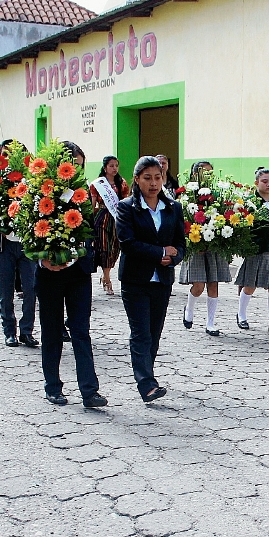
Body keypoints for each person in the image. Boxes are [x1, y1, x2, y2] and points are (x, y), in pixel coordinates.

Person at [36, 141, 107, 410]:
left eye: (79, 167)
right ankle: (52, 386)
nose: (75, 172)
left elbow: (88, 231)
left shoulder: (83, 195)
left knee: (80, 330)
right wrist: (44, 260)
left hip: (77, 273)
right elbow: (30, 234)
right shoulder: (40, 194)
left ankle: (89, 391)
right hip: (49, 274)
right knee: (52, 331)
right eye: (71, 167)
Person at [116, 155, 186, 403]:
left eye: (158, 178)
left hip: (163, 280)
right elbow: (128, 243)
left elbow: (180, 243)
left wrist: (173, 258)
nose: (154, 183)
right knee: (141, 333)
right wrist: (160, 253)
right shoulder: (126, 208)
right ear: (137, 180)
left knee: (154, 333)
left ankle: (149, 374)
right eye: (148, 178)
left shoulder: (173, 207)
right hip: (136, 280)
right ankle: (146, 384)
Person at [0, 141, 38, 349]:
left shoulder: (33, 180)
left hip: (26, 244)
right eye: (6, 154)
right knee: (6, 290)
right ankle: (9, 331)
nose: (10, 158)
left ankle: (26, 330)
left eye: (15, 155)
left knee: (31, 288)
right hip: (4, 243)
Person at [179, 160, 230, 335]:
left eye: (210, 172)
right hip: (196, 245)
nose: (207, 176)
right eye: (203, 172)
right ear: (195, 175)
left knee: (213, 284)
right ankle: (189, 309)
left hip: (213, 245)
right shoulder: (187, 195)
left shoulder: (217, 195)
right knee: (199, 285)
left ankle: (210, 323)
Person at [236, 167, 269, 336]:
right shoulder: (249, 203)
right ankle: (241, 315)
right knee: (250, 285)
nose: (268, 184)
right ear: (256, 183)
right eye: (264, 181)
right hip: (256, 249)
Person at [89, 155, 129, 296]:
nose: (114, 168)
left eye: (116, 165)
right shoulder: (98, 184)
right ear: (105, 167)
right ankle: (107, 279)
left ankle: (106, 274)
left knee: (114, 247)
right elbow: (93, 205)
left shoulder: (122, 183)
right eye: (111, 166)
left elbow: (125, 202)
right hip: (102, 218)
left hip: (117, 218)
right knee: (104, 247)